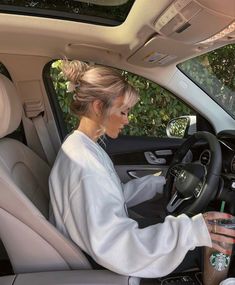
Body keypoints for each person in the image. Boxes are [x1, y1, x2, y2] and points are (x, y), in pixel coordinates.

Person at [49, 60, 235, 278]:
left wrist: (161, 184)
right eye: (124, 112)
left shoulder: (82, 146)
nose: (127, 120)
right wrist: (192, 231)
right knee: (206, 248)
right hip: (105, 265)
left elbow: (113, 196)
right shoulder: (84, 167)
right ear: (99, 106)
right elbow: (116, 245)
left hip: (100, 248)